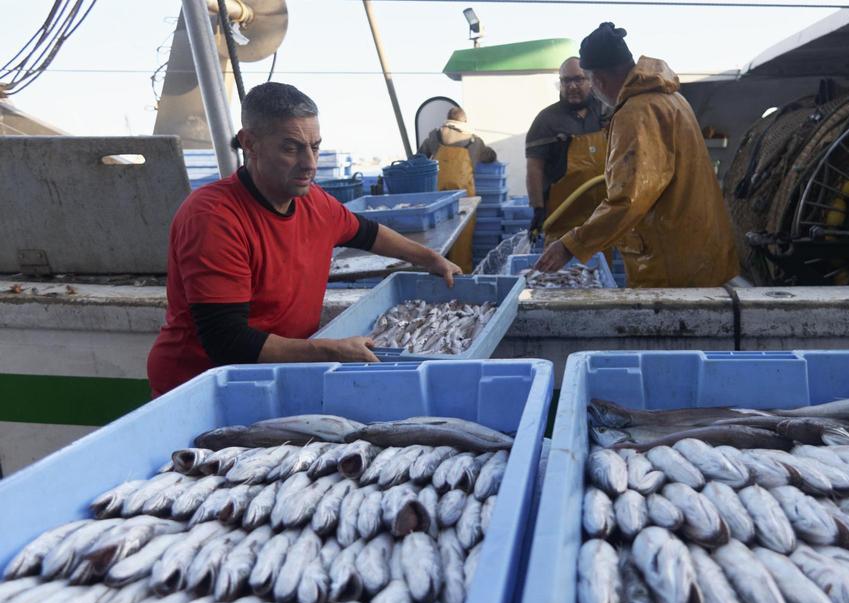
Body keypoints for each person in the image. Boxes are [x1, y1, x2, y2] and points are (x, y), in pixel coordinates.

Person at [146, 83, 460, 396]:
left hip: (274, 374)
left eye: (315, 146)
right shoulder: (214, 217)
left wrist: (430, 259)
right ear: (249, 143)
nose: (309, 163)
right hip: (200, 385)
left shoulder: (315, 203)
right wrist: (331, 351)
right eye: (291, 148)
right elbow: (227, 341)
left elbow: (369, 233)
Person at [533, 23, 738, 288]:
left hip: (673, 264)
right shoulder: (671, 98)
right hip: (702, 251)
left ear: (599, 80)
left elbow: (629, 199)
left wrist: (570, 245)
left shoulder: (635, 113)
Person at [525, 56, 608, 241]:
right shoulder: (546, 120)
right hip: (563, 218)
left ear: (590, 80)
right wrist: (538, 209)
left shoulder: (606, 112)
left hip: (602, 218)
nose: (572, 86)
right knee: (561, 268)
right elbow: (534, 169)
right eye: (566, 80)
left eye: (578, 79)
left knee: (601, 266)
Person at [418, 107, 497, 273]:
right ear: (465, 121)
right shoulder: (475, 141)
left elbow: (419, 158)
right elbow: (490, 156)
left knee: (436, 237)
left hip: (437, 198)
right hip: (465, 198)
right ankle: (461, 274)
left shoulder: (434, 136)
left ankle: (436, 270)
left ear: (447, 120)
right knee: (462, 238)